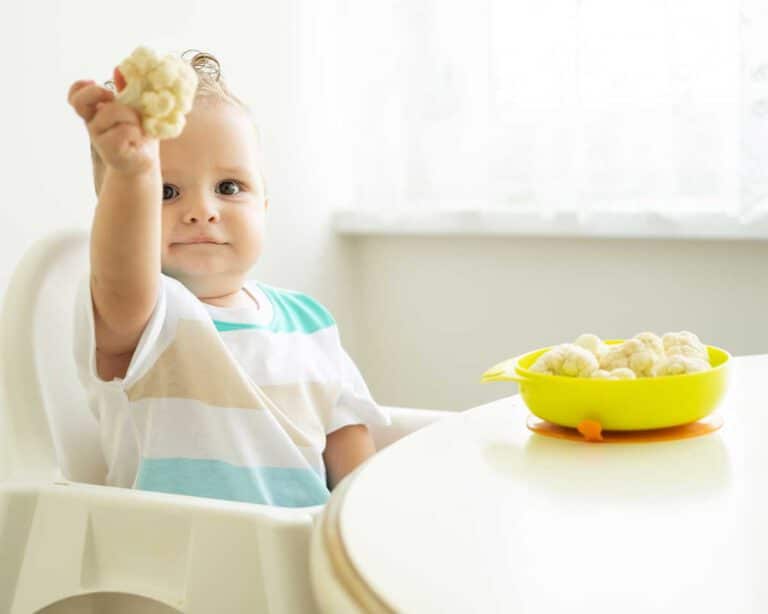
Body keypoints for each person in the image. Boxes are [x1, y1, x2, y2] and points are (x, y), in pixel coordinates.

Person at [67, 49, 390, 507]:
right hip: (180, 564)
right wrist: (134, 172)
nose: (203, 211)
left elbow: (348, 445)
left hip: (296, 556)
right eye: (166, 191)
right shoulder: (150, 316)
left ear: (264, 206)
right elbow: (121, 275)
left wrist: (365, 524)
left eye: (229, 187)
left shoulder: (310, 322)